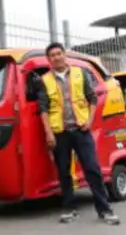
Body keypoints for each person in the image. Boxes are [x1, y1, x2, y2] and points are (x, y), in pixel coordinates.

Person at [37, 42, 120, 225]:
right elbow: (43, 109)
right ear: (48, 59)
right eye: (52, 55)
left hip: (81, 130)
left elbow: (93, 98)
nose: (57, 57)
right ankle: (69, 208)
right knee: (64, 172)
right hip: (60, 133)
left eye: (59, 53)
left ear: (64, 55)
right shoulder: (44, 80)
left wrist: (89, 121)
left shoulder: (80, 74)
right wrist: (48, 133)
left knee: (92, 169)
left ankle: (105, 210)